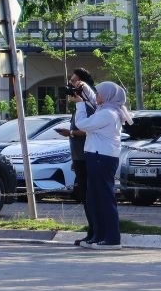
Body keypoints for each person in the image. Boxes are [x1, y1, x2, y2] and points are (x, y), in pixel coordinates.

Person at [73, 80, 132, 250]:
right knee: (94, 198)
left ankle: (112, 238)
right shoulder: (106, 109)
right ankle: (99, 235)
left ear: (107, 96)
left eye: (99, 93)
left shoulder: (108, 114)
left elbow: (82, 124)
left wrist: (79, 105)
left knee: (104, 198)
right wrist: (85, 89)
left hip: (102, 157)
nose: (96, 95)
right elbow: (94, 99)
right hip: (96, 155)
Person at [52, 69, 96, 241]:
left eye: (75, 83)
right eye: (70, 82)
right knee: (84, 197)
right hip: (79, 157)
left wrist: (70, 133)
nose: (71, 86)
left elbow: (89, 129)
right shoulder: (80, 106)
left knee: (89, 197)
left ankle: (94, 232)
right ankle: (91, 232)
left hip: (87, 157)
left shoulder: (90, 105)